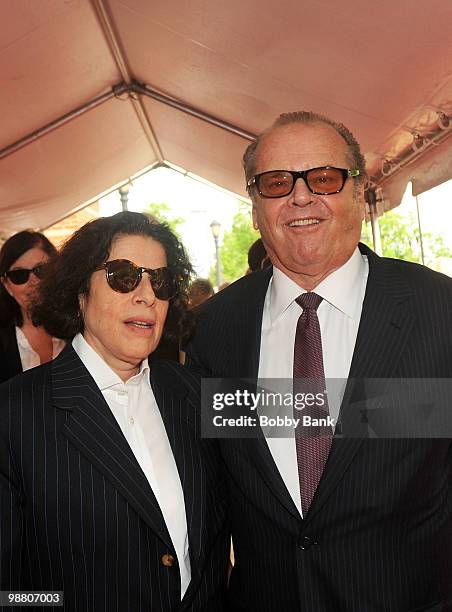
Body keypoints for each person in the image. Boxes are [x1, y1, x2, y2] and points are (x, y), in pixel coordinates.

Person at [185, 112, 452, 611]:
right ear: (254, 206)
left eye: (324, 178)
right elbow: (212, 496)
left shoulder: (439, 311)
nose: (301, 197)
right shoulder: (212, 330)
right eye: (276, 183)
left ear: (359, 191)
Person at [0, 212, 229, 611]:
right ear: (79, 291)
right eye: (123, 276)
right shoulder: (14, 415)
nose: (146, 295)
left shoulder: (190, 393)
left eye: (160, 281)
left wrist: (374, 407)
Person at [0, 230, 64, 383]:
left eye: (41, 270)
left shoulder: (80, 328)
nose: (33, 282)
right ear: (7, 285)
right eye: (19, 275)